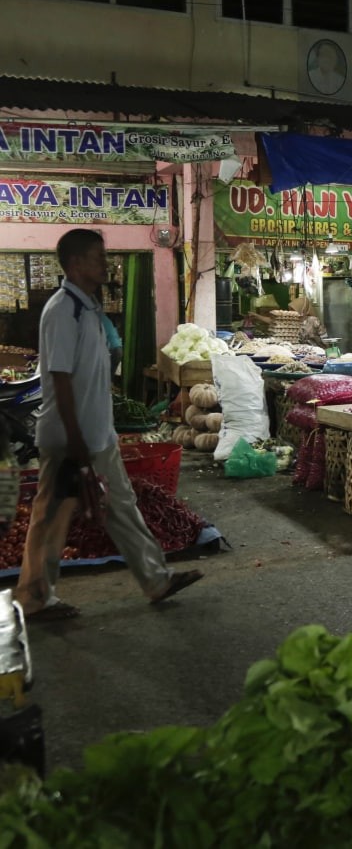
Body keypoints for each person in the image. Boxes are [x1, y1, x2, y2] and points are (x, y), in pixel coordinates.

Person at [16, 229, 202, 620]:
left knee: (122, 506)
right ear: (77, 262)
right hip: (71, 437)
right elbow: (61, 379)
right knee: (50, 516)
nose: (105, 264)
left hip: (97, 434)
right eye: (98, 257)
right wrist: (77, 440)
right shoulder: (63, 310)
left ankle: (155, 579)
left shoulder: (88, 307)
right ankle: (33, 598)